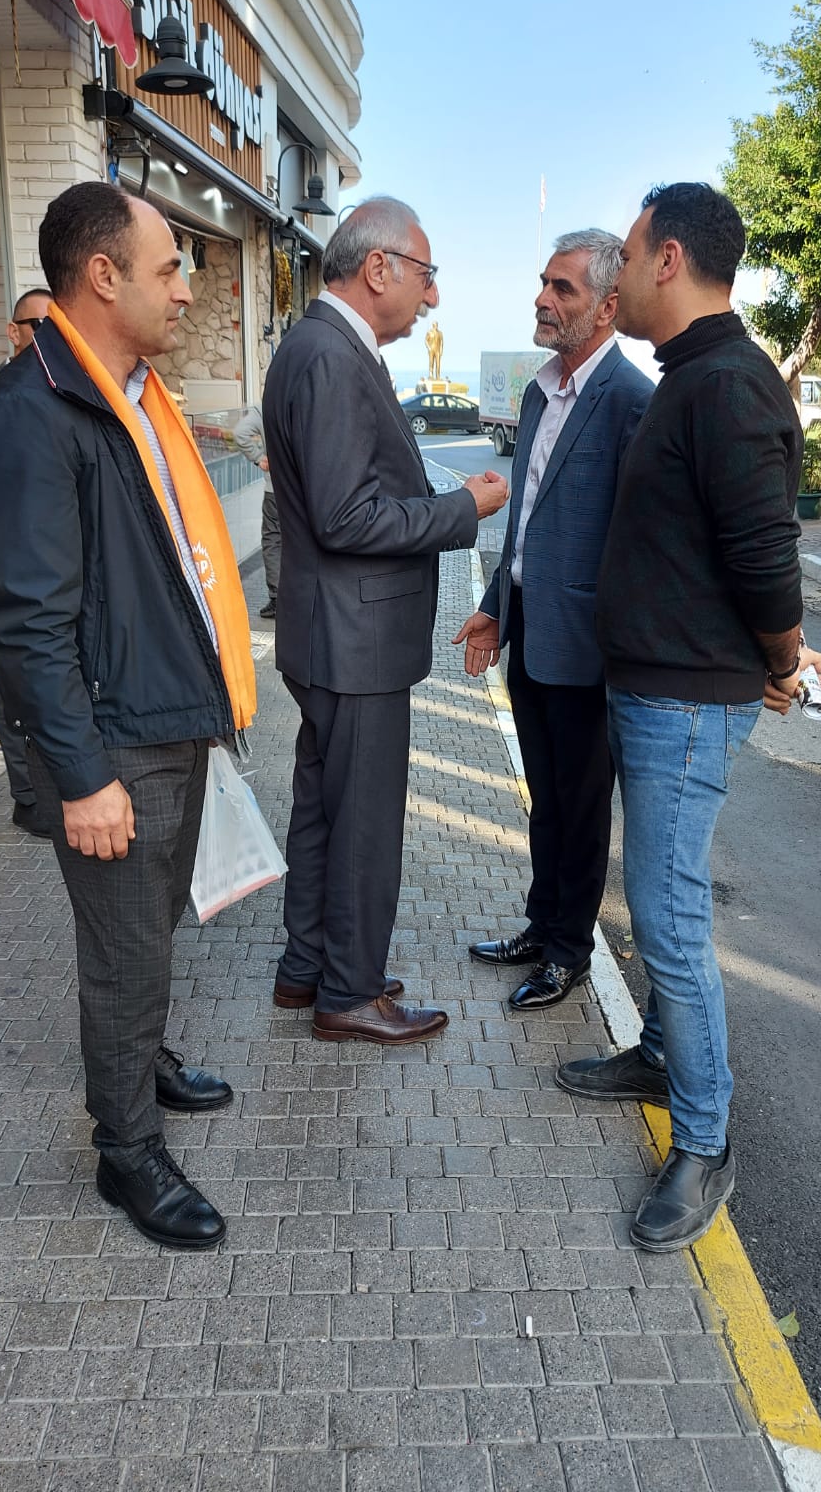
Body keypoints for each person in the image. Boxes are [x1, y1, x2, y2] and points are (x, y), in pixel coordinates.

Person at [557, 182, 821, 1252]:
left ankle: (705, 1142)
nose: (615, 276)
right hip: (656, 689)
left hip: (683, 702)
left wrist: (780, 658)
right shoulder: (694, 376)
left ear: (668, 259)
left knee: (668, 919)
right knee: (657, 904)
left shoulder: (725, 386)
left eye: (625, 256)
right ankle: (663, 1058)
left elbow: (764, 555)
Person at [0, 182, 257, 1250]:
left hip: (166, 713)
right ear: (102, 277)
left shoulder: (130, 391)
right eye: (169, 269)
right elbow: (29, 623)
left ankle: (139, 1065)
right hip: (113, 743)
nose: (186, 291)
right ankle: (126, 1149)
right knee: (124, 953)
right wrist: (83, 776)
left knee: (148, 937)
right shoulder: (33, 411)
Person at [263, 197, 509, 1044]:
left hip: (330, 633)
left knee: (323, 811)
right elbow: (346, 517)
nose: (432, 297)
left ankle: (309, 968)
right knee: (362, 824)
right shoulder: (332, 356)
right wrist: (463, 509)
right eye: (426, 276)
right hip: (354, 640)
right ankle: (350, 992)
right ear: (379, 268)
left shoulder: (317, 346)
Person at [454, 230, 653, 1009]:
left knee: (581, 805)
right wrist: (493, 609)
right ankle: (542, 925)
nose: (542, 298)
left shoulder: (631, 401)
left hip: (588, 647)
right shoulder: (539, 392)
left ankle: (570, 951)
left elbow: (637, 544)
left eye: (562, 288)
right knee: (545, 797)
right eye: (543, 282)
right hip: (530, 633)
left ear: (606, 306)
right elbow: (526, 523)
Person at [0, 288, 52, 835]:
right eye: (39, 327)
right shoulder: (5, 400)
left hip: (43, 571)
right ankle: (26, 796)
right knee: (14, 686)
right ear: (14, 332)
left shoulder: (55, 390)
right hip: (7, 572)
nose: (50, 338)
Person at [233, 404, 281, 618]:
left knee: (273, 539)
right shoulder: (309, 403)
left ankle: (278, 598)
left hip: (275, 490)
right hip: (307, 490)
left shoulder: (265, 408)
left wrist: (259, 457)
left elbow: (240, 432)